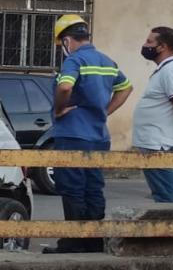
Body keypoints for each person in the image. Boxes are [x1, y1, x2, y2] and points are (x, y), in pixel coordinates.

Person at [44, 14, 133, 254]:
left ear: (67, 40)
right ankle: (94, 242)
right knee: (93, 187)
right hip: (99, 136)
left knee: (72, 187)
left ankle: (73, 243)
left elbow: (64, 86)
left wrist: (61, 108)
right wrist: (104, 112)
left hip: (73, 135)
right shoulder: (106, 61)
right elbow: (126, 88)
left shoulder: (74, 61)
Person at [131, 26, 173, 203]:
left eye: (149, 42)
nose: (145, 45)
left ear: (162, 47)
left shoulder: (171, 71)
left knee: (166, 199)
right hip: (163, 142)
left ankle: (170, 230)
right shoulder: (168, 70)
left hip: (159, 145)